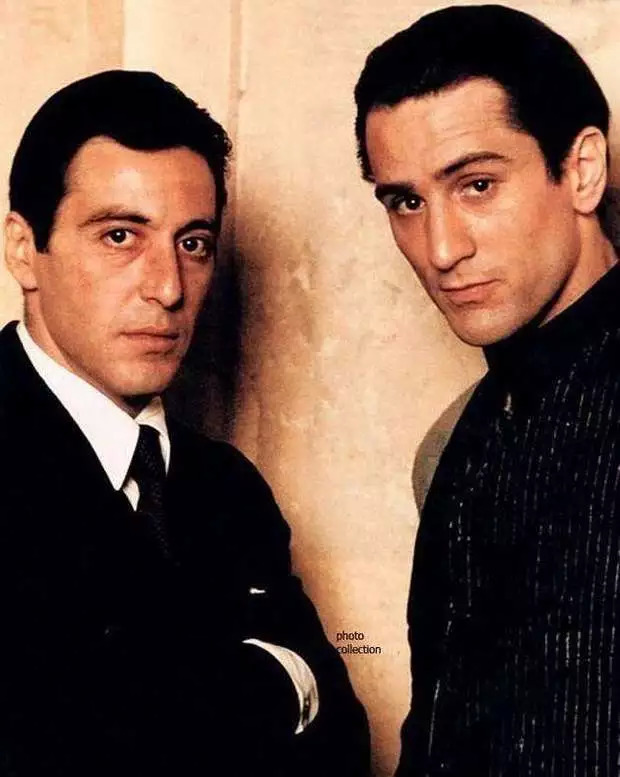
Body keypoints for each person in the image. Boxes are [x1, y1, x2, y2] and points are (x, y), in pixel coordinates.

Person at [0, 70, 369, 777]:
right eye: (120, 236)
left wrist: (157, 698)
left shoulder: (228, 487)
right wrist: (280, 682)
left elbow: (344, 743)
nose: (168, 287)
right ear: (24, 249)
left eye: (193, 243)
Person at [355, 5, 620, 776]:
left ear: (582, 170)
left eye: (476, 185)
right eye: (406, 201)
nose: (441, 248)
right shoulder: (453, 445)